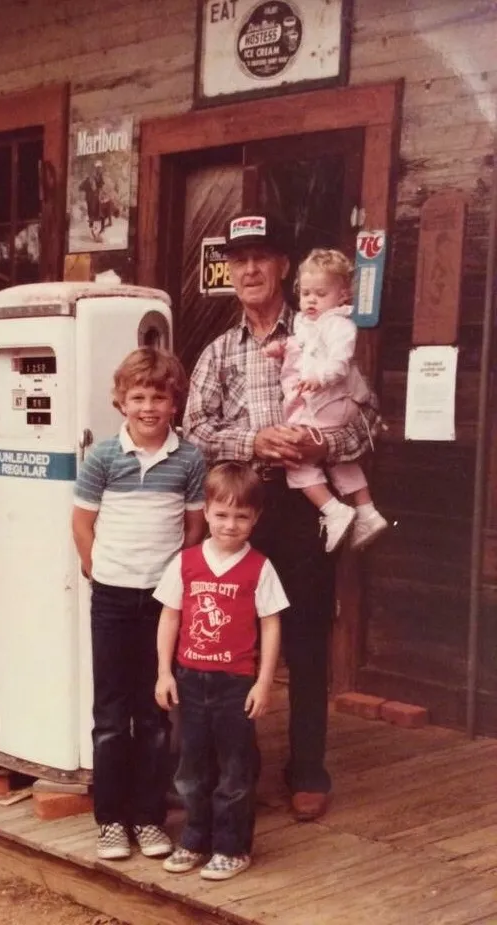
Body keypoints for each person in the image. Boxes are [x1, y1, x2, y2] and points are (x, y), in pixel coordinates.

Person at [183, 213, 380, 823]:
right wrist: (253, 442)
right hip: (239, 508)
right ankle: (235, 765)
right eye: (238, 260)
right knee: (231, 637)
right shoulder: (218, 351)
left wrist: (326, 448)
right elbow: (193, 429)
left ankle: (307, 767)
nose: (249, 270)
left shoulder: (328, 334)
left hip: (304, 506)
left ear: (283, 268)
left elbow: (369, 420)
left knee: (307, 634)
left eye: (261, 258)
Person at [72, 347, 207, 861]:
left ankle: (149, 818)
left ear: (175, 403)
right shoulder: (103, 457)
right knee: (110, 713)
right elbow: (82, 524)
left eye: (159, 397)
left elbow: (193, 528)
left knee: (154, 712)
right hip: (110, 598)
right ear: (120, 401)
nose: (148, 407)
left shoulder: (189, 459)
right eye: (138, 397)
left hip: (162, 605)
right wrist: (98, 570)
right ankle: (110, 819)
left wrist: (173, 581)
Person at [154, 462, 287, 880]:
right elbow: (170, 617)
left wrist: (264, 682)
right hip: (190, 680)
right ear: (206, 511)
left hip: (235, 683)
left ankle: (232, 847)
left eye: (241, 517)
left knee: (234, 768)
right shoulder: (187, 562)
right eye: (222, 514)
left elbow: (270, 624)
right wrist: (164, 672)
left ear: (255, 519)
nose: (230, 525)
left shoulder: (259, 568)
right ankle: (195, 839)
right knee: (192, 767)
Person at [264, 248, 388, 552]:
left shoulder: (340, 326)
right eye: (305, 293)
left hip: (329, 402)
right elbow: (302, 345)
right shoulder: (309, 324)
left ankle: (334, 510)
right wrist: (283, 347)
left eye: (321, 293)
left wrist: (318, 377)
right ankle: (366, 510)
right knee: (337, 457)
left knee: (295, 454)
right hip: (328, 404)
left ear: (343, 295)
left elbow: (339, 362)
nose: (311, 300)